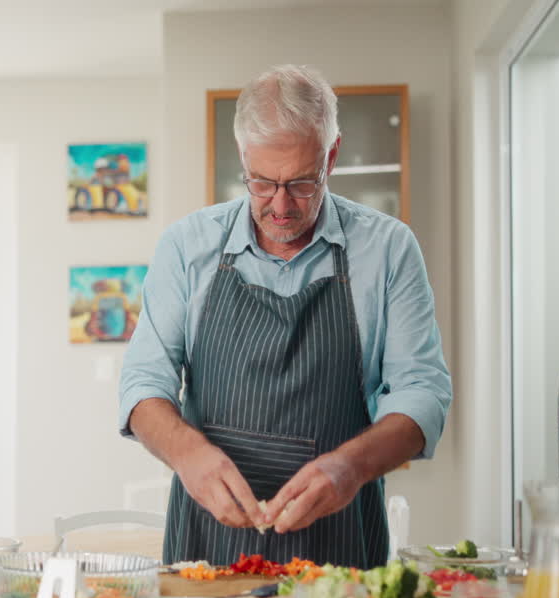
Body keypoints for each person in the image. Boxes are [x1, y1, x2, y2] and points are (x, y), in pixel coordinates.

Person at [118, 65, 451, 567]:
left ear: (331, 156)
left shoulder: (388, 249)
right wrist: (188, 453)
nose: (279, 206)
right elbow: (143, 385)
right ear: (243, 158)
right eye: (261, 182)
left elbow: (423, 392)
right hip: (207, 549)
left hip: (339, 548)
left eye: (300, 183)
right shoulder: (187, 246)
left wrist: (350, 467)